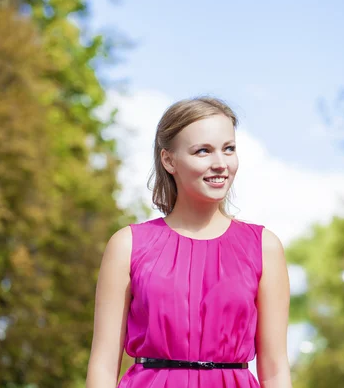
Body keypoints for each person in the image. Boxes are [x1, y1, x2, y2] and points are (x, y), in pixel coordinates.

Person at [85, 97, 292, 388]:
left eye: (228, 149)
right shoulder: (127, 245)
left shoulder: (264, 248)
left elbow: (275, 370)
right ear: (169, 160)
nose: (220, 164)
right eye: (203, 151)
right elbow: (103, 367)